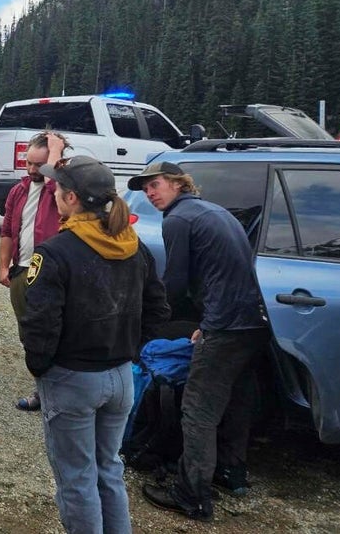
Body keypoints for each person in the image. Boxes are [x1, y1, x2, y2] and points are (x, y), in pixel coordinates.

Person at [19, 156, 169, 534]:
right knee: (109, 470)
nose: (51, 192)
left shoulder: (55, 253)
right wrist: (131, 352)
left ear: (71, 198)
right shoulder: (133, 245)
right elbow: (159, 309)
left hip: (73, 378)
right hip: (121, 378)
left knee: (77, 479)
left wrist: (41, 368)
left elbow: (40, 323)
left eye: (57, 189)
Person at [129, 162, 270, 522]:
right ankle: (230, 471)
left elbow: (173, 284)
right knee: (237, 397)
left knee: (198, 408)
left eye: (155, 185)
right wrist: (206, 322)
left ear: (177, 183)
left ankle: (191, 495)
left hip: (225, 325)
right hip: (254, 321)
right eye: (145, 189)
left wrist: (148, 323)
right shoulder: (214, 210)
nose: (150, 193)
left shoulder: (178, 220)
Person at [0, 131, 68, 411]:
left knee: (54, 332)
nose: (31, 169)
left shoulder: (60, 190)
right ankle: (42, 387)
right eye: (28, 163)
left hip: (49, 274)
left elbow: (55, 183)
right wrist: (4, 265)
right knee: (29, 334)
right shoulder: (19, 190)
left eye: (39, 164)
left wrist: (56, 151)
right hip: (21, 271)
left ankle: (54, 393)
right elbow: (6, 230)